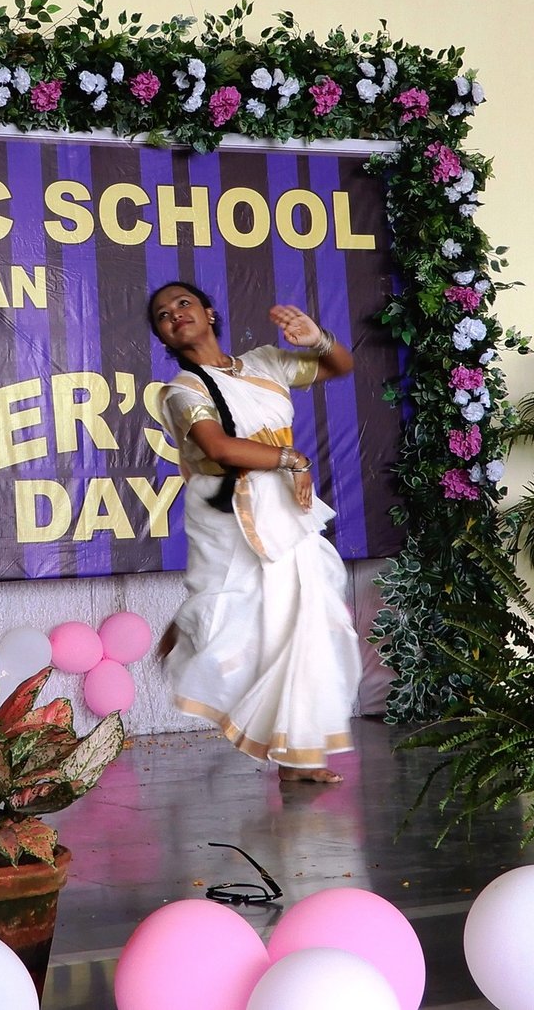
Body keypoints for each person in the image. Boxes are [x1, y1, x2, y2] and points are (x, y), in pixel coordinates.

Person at [148, 281, 361, 783]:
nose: (175, 315)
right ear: (163, 336)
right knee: (236, 618)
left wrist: (318, 339)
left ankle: (298, 756)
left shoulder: (264, 362)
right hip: (227, 510)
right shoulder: (183, 390)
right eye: (163, 315)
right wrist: (294, 459)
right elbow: (219, 449)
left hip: (284, 505)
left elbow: (339, 368)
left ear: (209, 313)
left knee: (303, 618)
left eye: (183, 304)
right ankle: (191, 629)